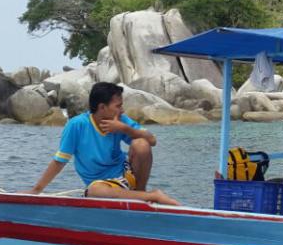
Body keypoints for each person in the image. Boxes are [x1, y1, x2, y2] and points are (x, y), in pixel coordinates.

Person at [29, 82, 178, 205]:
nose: (122, 110)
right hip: (102, 186)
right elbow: (59, 161)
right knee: (94, 190)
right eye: (118, 106)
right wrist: (36, 190)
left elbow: (152, 140)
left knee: (141, 143)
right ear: (102, 107)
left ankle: (142, 196)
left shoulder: (121, 120)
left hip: (125, 176)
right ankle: (150, 197)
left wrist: (125, 129)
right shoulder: (77, 125)